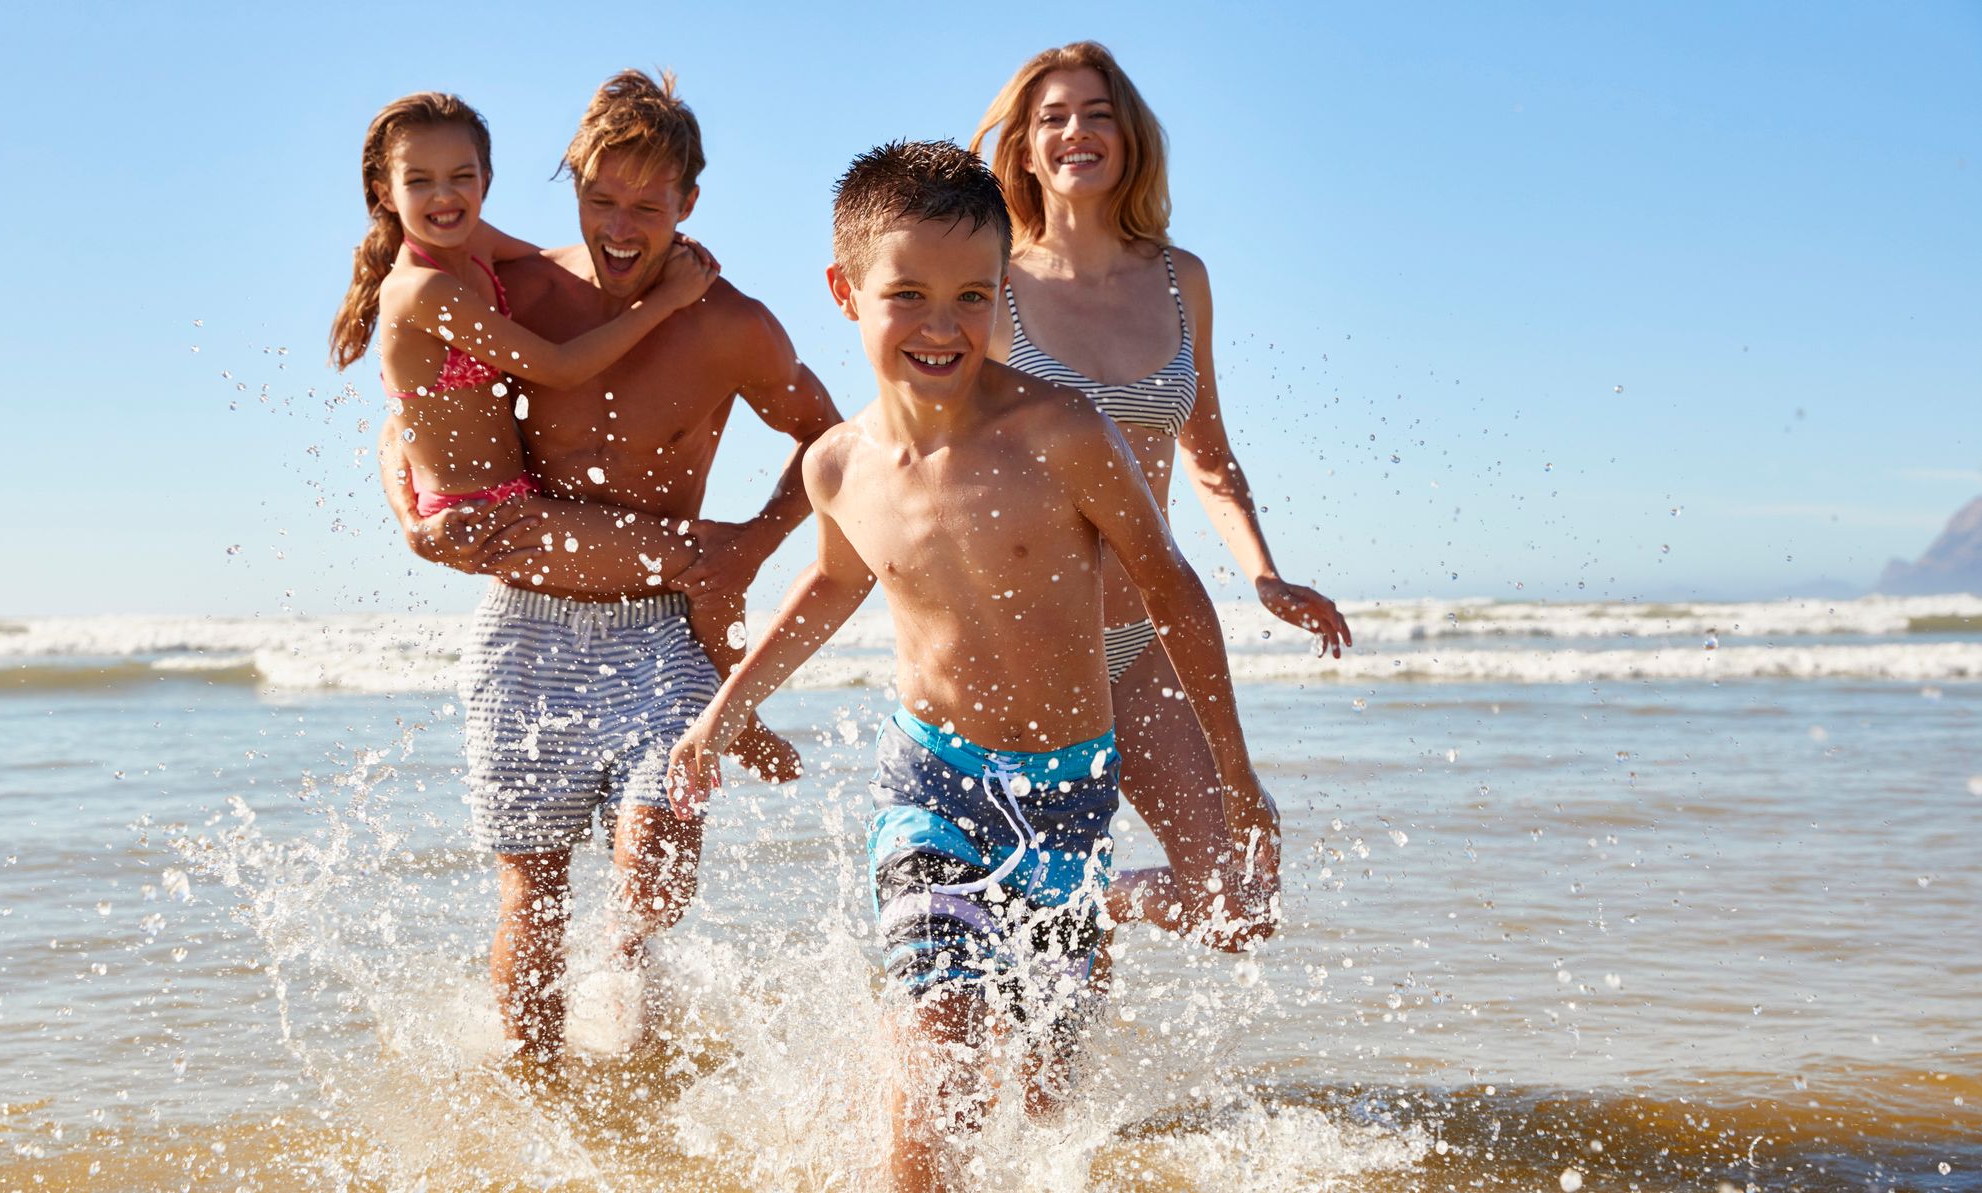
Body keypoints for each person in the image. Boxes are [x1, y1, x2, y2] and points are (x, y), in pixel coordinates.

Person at [665, 141, 1277, 1193]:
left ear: (1004, 292)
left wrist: (1236, 773)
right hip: (932, 793)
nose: (942, 325)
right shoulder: (837, 464)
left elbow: (1173, 589)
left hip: (1070, 796)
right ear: (844, 291)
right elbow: (830, 585)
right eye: (906, 294)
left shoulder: (1062, 429)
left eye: (972, 295)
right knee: (938, 1073)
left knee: (1045, 1111)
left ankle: (1096, 922)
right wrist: (720, 712)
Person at [374, 72, 841, 1060]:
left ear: (689, 205)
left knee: (651, 871)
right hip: (527, 629)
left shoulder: (730, 323)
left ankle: (638, 1050)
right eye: (600, 199)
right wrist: (411, 512)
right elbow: (408, 396)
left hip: (659, 627)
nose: (620, 227)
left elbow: (830, 443)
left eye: (647, 204)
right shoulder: (522, 288)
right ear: (570, 186)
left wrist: (748, 546)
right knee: (533, 894)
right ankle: (543, 1095)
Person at [971, 43, 1352, 948]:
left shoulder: (1180, 281)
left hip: (1141, 636)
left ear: (1129, 137)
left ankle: (1091, 906)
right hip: (1023, 642)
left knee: (1238, 900)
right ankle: (1050, 926)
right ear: (1023, 148)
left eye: (1096, 114)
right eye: (1052, 117)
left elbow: (1208, 455)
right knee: (1016, 968)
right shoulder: (990, 286)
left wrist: (1264, 575)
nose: (1076, 132)